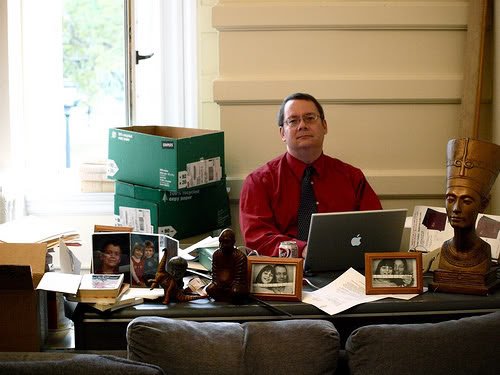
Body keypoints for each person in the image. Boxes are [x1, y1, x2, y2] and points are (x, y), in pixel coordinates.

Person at [239, 92, 382, 258]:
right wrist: (304, 250)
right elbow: (258, 239)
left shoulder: (352, 177)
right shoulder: (258, 182)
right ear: (282, 133)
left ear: (325, 126)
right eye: (293, 121)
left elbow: (376, 228)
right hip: (285, 272)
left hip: (344, 269)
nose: (302, 125)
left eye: (310, 118)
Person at [437, 138, 500, 274]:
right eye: (451, 199)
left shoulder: (484, 252)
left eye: (466, 201)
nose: (456, 209)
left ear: (483, 205)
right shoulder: (444, 250)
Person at [206, 228, 248, 303]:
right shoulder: (217, 254)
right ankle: (222, 299)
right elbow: (215, 275)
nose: (222, 245)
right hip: (219, 284)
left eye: (226, 242)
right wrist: (217, 283)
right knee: (210, 289)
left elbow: (239, 278)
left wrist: (229, 285)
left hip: (234, 285)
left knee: (236, 292)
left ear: (233, 242)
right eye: (221, 242)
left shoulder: (240, 256)